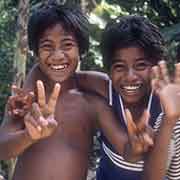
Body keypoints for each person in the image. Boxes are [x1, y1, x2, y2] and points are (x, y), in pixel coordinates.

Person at [0, 3, 152, 180]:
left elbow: (127, 151)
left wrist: (137, 147)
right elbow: (2, 150)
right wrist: (29, 136)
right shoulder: (26, 101)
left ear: (81, 49)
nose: (57, 55)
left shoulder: (92, 104)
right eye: (47, 46)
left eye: (67, 45)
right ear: (35, 52)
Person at [75, 15, 180, 180]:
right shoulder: (105, 88)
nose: (130, 76)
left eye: (140, 65)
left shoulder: (167, 107)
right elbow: (63, 76)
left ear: (155, 67)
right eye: (119, 66)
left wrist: (169, 120)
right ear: (109, 70)